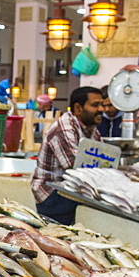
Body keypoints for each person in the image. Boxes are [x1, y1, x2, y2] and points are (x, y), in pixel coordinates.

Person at [31, 86, 104, 225]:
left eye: (102, 105)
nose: (102, 109)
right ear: (78, 108)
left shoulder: (91, 129)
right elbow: (76, 167)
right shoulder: (64, 128)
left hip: (69, 190)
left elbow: (101, 159)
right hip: (51, 194)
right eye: (95, 105)